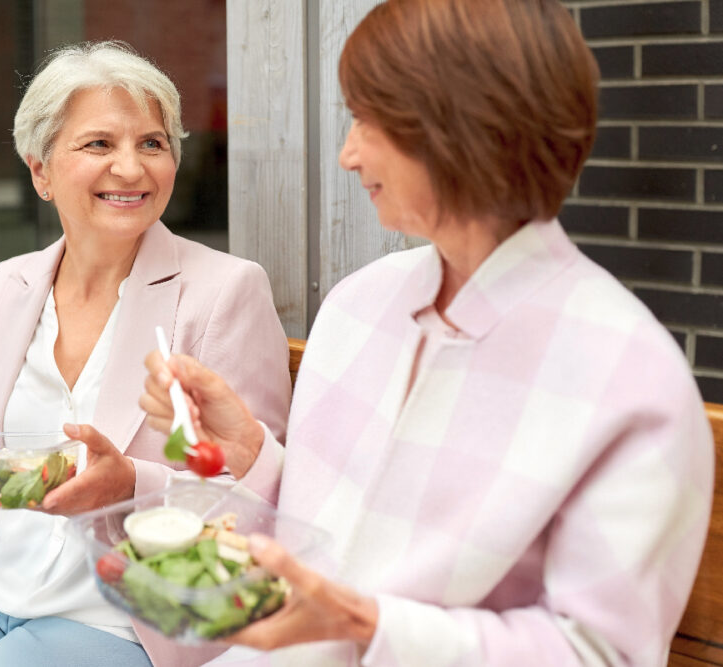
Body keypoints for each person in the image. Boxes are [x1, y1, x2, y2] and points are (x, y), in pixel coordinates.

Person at [141, 2, 714, 664]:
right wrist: (247, 452)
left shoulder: (631, 378)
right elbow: (333, 530)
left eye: (365, 120)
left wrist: (367, 624)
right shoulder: (361, 303)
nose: (347, 154)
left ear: (459, 126)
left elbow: (599, 653)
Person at [0, 41, 291, 667]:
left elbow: (264, 499)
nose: (131, 168)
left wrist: (131, 485)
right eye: (99, 144)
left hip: (121, 613)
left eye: (152, 143)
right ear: (40, 171)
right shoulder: (10, 285)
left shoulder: (224, 291)